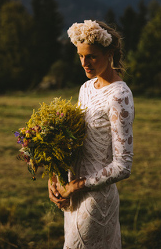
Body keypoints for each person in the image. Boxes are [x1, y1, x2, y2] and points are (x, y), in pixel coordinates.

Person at [48, 20, 134, 248]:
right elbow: (72, 140)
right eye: (80, 56)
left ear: (110, 54)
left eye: (92, 56)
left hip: (96, 198)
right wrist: (54, 178)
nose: (85, 63)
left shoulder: (119, 96)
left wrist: (77, 186)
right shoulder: (85, 88)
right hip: (71, 194)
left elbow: (123, 165)